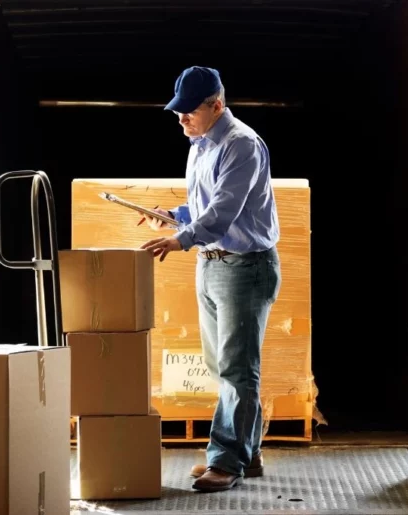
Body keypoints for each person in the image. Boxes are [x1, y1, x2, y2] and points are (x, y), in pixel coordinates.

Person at [140, 66, 282, 493]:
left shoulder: (241, 145)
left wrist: (180, 239)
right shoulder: (200, 145)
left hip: (245, 268)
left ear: (216, 105)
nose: (181, 119)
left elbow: (223, 212)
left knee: (239, 369)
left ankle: (226, 460)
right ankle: (248, 451)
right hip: (211, 264)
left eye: (189, 112)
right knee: (221, 364)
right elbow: (204, 205)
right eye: (177, 112)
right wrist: (174, 216)